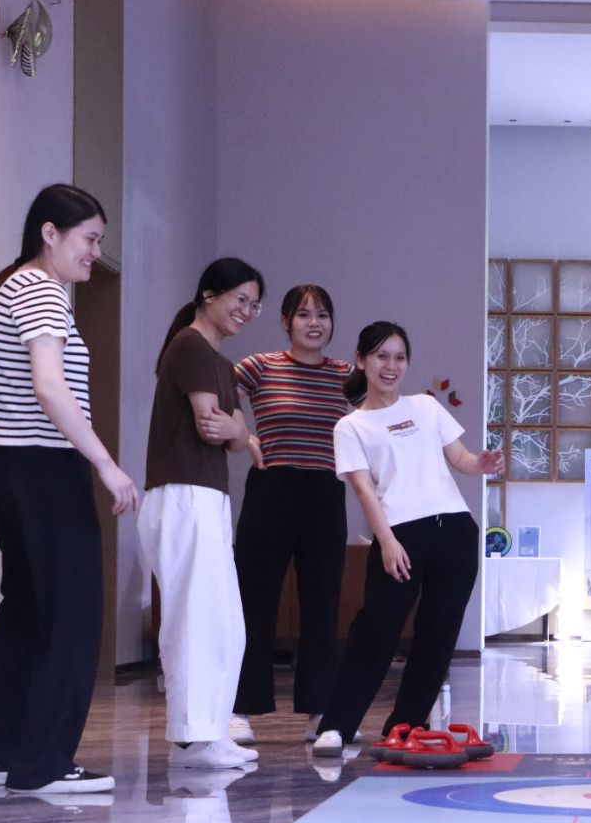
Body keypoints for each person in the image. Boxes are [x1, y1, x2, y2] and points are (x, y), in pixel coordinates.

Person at [0, 184, 140, 795]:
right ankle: (43, 763)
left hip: (8, 468)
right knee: (70, 613)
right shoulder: (41, 290)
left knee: (25, 609)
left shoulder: (10, 287)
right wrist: (106, 464)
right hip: (44, 468)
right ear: (49, 233)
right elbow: (50, 386)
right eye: (89, 238)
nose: (94, 251)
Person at [309, 321, 503, 756]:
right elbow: (364, 491)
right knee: (375, 629)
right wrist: (387, 541)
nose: (390, 366)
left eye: (399, 357)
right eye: (381, 356)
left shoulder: (426, 406)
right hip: (399, 534)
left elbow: (461, 459)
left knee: (438, 635)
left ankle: (407, 725)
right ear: (362, 360)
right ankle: (337, 725)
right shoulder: (351, 426)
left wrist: (483, 463)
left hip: (455, 530)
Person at [141, 258, 266, 770]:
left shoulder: (219, 360)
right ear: (209, 295)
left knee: (222, 622)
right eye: (240, 299)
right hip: (183, 495)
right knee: (199, 621)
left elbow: (233, 435)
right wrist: (240, 431)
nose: (246, 311)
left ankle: (208, 731)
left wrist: (239, 432)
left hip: (205, 497)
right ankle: (195, 739)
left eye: (254, 305)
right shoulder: (190, 346)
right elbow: (213, 426)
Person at [228, 285, 353, 746]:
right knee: (254, 600)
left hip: (325, 492)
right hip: (271, 488)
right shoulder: (260, 366)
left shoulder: (346, 374)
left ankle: (321, 712)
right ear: (285, 321)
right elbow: (216, 391)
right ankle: (240, 709)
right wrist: (245, 437)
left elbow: (378, 414)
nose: (314, 323)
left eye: (322, 314)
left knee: (322, 602)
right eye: (303, 315)